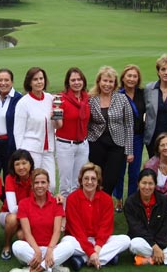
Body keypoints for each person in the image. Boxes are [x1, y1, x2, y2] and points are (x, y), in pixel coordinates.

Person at [61, 162, 131, 271]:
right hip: (78, 240)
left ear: (98, 181)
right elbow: (76, 230)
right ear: (81, 180)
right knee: (66, 242)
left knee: (125, 240)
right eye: (86, 179)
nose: (89, 182)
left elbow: (105, 228)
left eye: (93, 179)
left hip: (99, 241)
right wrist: (91, 251)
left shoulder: (107, 199)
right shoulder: (72, 199)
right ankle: (107, 257)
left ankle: (83, 260)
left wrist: (96, 250)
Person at [8, 169, 74, 272]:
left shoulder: (56, 203)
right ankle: (54, 268)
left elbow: (57, 231)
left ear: (48, 184)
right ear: (32, 185)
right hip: (32, 249)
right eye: (36, 183)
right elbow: (27, 232)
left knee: (70, 245)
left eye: (43, 182)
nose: (40, 186)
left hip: (52, 248)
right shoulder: (24, 204)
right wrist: (37, 251)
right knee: (17, 246)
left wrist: (49, 249)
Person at [124, 169, 167, 266]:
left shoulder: (163, 200)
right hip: (143, 240)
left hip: (161, 241)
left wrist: (159, 246)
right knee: (134, 243)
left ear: (155, 185)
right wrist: (154, 247)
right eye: (144, 183)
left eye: (150, 183)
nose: (147, 187)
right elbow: (137, 229)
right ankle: (166, 258)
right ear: (138, 183)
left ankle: (150, 260)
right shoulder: (130, 202)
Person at [87, 66, 133, 197]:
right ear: (99, 81)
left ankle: (104, 203)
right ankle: (95, 206)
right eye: (105, 81)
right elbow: (86, 122)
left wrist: (129, 151)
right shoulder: (91, 99)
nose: (107, 84)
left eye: (110, 81)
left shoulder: (122, 99)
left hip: (116, 145)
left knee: (111, 178)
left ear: (115, 83)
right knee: (96, 177)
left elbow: (129, 125)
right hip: (96, 143)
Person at [14, 67, 59, 192]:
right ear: (29, 82)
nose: (39, 82)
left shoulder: (50, 99)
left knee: (51, 185)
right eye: (35, 79)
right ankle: (32, 210)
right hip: (31, 149)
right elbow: (18, 131)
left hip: (48, 149)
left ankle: (46, 210)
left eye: (41, 78)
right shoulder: (23, 103)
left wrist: (57, 116)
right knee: (33, 184)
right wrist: (22, 156)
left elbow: (57, 124)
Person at [114, 64, 146, 212]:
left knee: (134, 171)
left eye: (134, 76)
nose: (132, 79)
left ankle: (131, 200)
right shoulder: (117, 94)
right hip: (120, 138)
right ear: (123, 78)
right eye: (129, 76)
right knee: (119, 170)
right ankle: (119, 198)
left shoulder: (142, 94)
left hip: (137, 137)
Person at [55, 67, 90, 199]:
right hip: (65, 145)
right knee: (65, 184)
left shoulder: (86, 99)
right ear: (68, 82)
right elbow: (58, 125)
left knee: (78, 181)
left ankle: (74, 212)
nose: (76, 82)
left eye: (79, 79)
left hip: (83, 144)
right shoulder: (61, 99)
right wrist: (56, 119)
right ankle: (63, 213)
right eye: (73, 80)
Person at [0, 149, 34, 260]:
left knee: (21, 236)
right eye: (17, 164)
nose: (21, 167)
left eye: (24, 163)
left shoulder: (35, 177)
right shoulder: (10, 178)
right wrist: (30, 206)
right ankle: (7, 245)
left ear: (30, 164)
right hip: (8, 214)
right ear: (13, 166)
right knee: (13, 219)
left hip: (29, 215)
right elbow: (13, 209)